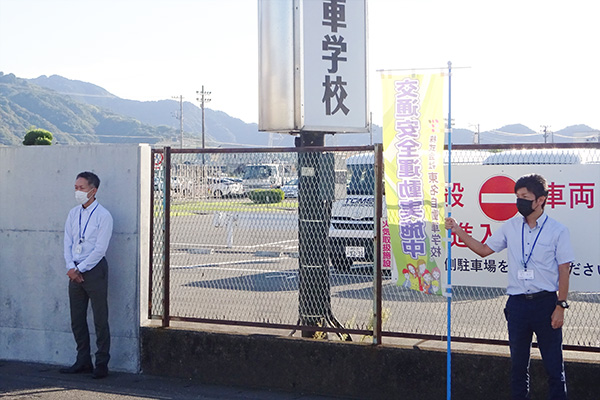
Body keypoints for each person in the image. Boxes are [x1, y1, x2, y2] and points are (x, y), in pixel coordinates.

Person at [445, 173, 574, 400]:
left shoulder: (558, 230)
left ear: (541, 199)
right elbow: (484, 250)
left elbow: (564, 269)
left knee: (554, 368)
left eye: (525, 196)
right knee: (518, 367)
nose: (520, 201)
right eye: (517, 196)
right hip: (517, 306)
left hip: (546, 304)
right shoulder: (510, 227)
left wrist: (560, 306)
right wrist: (457, 230)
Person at [60, 171, 113, 379]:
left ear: (93, 190)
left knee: (100, 318)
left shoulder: (103, 216)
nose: (77, 192)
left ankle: (101, 363)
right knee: (77, 319)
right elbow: (68, 242)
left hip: (94, 270)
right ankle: (82, 361)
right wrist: (71, 267)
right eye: (75, 187)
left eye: (81, 188)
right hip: (74, 271)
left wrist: (80, 269)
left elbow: (100, 249)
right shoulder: (73, 214)